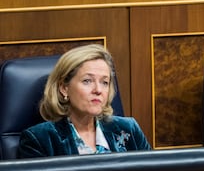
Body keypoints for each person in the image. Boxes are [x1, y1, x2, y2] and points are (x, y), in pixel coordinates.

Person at [18, 44, 151, 158]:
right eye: (87, 81)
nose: (98, 90)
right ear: (64, 88)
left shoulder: (129, 129)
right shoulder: (39, 139)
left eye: (105, 82)